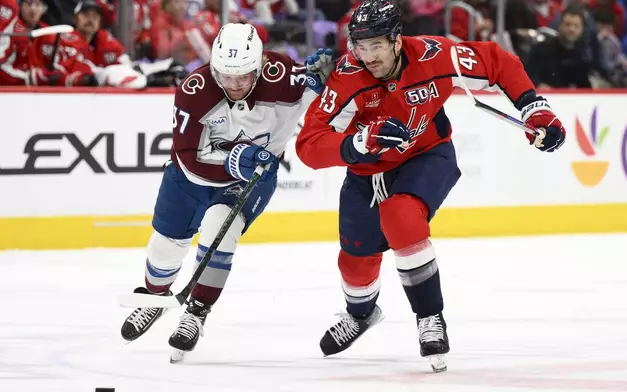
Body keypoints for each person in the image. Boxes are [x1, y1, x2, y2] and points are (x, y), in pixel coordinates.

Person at [297, 0, 566, 372]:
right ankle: (360, 314)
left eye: (376, 44)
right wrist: (357, 143)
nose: (367, 55)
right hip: (366, 173)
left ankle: (429, 317)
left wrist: (534, 108)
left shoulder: (434, 55)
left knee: (402, 216)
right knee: (355, 265)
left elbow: (496, 60)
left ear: (396, 39)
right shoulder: (347, 76)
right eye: (360, 45)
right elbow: (308, 145)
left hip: (427, 156)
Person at [120, 22, 314, 363]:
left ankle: (196, 312)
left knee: (219, 234)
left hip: (248, 180)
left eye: (242, 76)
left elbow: (326, 89)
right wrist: (236, 161)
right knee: (165, 246)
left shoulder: (282, 74)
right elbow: (186, 156)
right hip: (190, 177)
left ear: (258, 67)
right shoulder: (194, 90)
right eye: (226, 75)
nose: (234, 84)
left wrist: (331, 71)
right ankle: (154, 297)